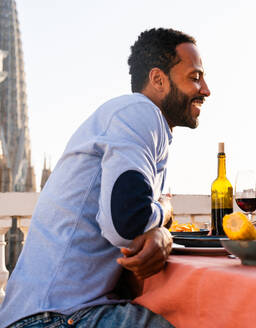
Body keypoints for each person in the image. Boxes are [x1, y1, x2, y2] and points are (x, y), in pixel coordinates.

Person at [0, 28, 210, 328]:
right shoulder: (140, 112)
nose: (205, 89)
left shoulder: (139, 124)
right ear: (158, 80)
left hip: (52, 312)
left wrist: (159, 230)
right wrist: (165, 212)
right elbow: (128, 223)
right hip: (55, 317)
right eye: (195, 77)